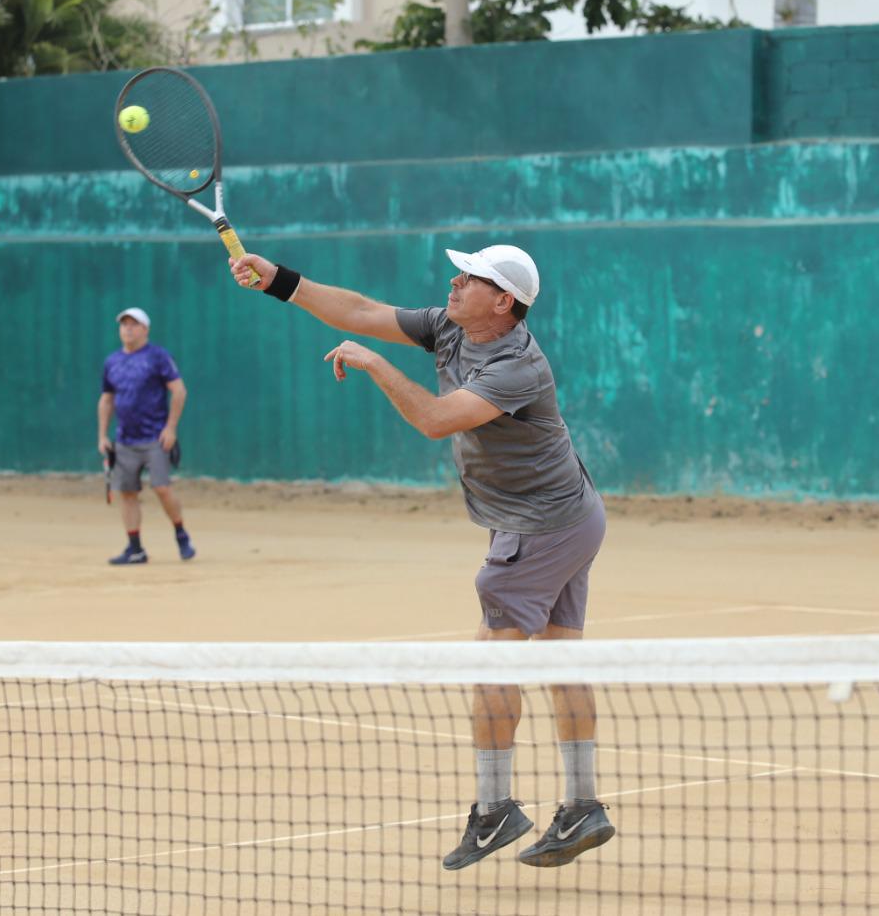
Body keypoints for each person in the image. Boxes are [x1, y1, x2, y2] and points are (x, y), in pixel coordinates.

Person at [228, 244, 614, 871]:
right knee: (561, 654)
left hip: (538, 526)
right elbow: (358, 310)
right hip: (572, 514)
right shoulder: (447, 326)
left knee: (491, 661)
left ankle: (493, 811)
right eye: (460, 273)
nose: (455, 282)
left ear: (504, 301)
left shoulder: (515, 366)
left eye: (472, 278)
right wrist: (279, 281)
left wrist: (377, 365)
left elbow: (437, 420)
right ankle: (583, 804)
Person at [97, 307, 195, 565]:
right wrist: (102, 436)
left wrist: (170, 427)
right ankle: (135, 548)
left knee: (162, 488)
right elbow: (107, 400)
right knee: (127, 493)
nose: (128, 329)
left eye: (133, 324)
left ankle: (181, 534)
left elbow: (179, 391)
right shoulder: (112, 361)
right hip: (125, 439)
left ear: (145, 329)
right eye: (124, 324)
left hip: (155, 437)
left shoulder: (158, 357)